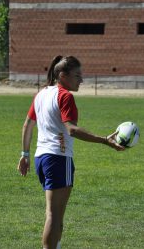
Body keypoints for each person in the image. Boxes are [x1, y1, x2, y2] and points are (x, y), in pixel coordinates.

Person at [18, 55, 124, 249]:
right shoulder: (65, 96)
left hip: (40, 158)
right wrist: (104, 141)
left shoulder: (41, 93)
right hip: (58, 158)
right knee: (54, 215)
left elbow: (27, 125)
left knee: (52, 213)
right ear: (63, 75)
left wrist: (24, 155)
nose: (81, 80)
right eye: (77, 75)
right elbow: (72, 130)